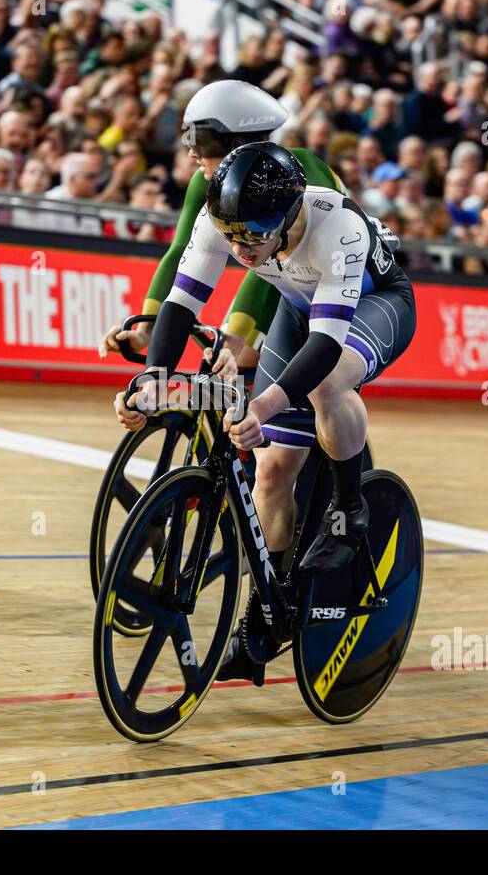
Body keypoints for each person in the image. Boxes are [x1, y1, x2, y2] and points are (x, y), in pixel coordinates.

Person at [114, 143, 416, 683]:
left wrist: (263, 403)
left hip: (376, 303)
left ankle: (350, 510)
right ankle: (269, 610)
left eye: (254, 236)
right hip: (299, 309)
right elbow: (183, 304)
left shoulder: (337, 226)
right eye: (232, 237)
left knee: (326, 384)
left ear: (290, 213)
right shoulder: (223, 219)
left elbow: (326, 345)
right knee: (272, 470)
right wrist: (151, 380)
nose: (242, 250)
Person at [97, 79, 344, 371]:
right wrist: (145, 331)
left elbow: (277, 262)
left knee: (245, 364)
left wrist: (235, 338)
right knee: (223, 372)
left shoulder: (301, 170)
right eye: (188, 139)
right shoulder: (204, 183)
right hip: (284, 279)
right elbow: (179, 253)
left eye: (201, 142)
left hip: (333, 285)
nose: (191, 153)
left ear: (239, 144)